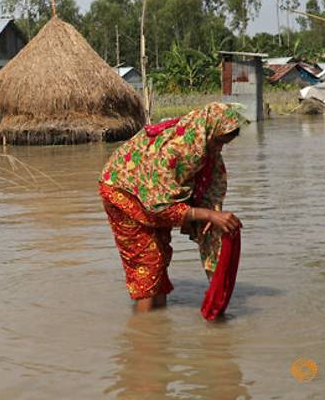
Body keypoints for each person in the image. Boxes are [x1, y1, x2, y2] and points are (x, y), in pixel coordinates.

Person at [98, 102, 243, 313]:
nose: (219, 149)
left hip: (154, 195)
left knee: (161, 257)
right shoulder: (174, 150)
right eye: (218, 142)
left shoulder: (203, 151)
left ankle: (159, 329)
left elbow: (210, 193)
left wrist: (211, 221)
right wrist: (209, 215)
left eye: (224, 145)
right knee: (147, 264)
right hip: (123, 193)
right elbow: (160, 207)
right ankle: (145, 336)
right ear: (208, 132)